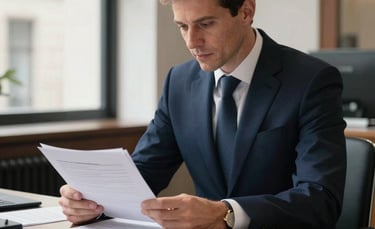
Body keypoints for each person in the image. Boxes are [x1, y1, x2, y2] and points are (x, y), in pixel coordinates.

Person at [58, 0, 347, 228]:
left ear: (246, 11)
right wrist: (92, 200)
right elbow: (144, 173)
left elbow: (321, 199)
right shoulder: (179, 82)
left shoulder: (311, 80)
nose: (192, 41)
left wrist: (225, 213)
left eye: (205, 24)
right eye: (182, 26)